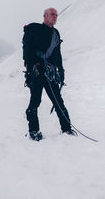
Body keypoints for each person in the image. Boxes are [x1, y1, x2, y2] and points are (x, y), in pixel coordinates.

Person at [23, 7, 76, 141]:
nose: (55, 16)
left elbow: (57, 55)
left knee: (58, 101)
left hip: (50, 72)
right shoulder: (34, 31)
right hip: (36, 73)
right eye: (52, 14)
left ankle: (66, 128)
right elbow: (28, 53)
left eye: (56, 15)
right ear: (45, 16)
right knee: (35, 102)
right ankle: (34, 131)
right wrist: (30, 71)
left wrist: (61, 71)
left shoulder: (55, 33)